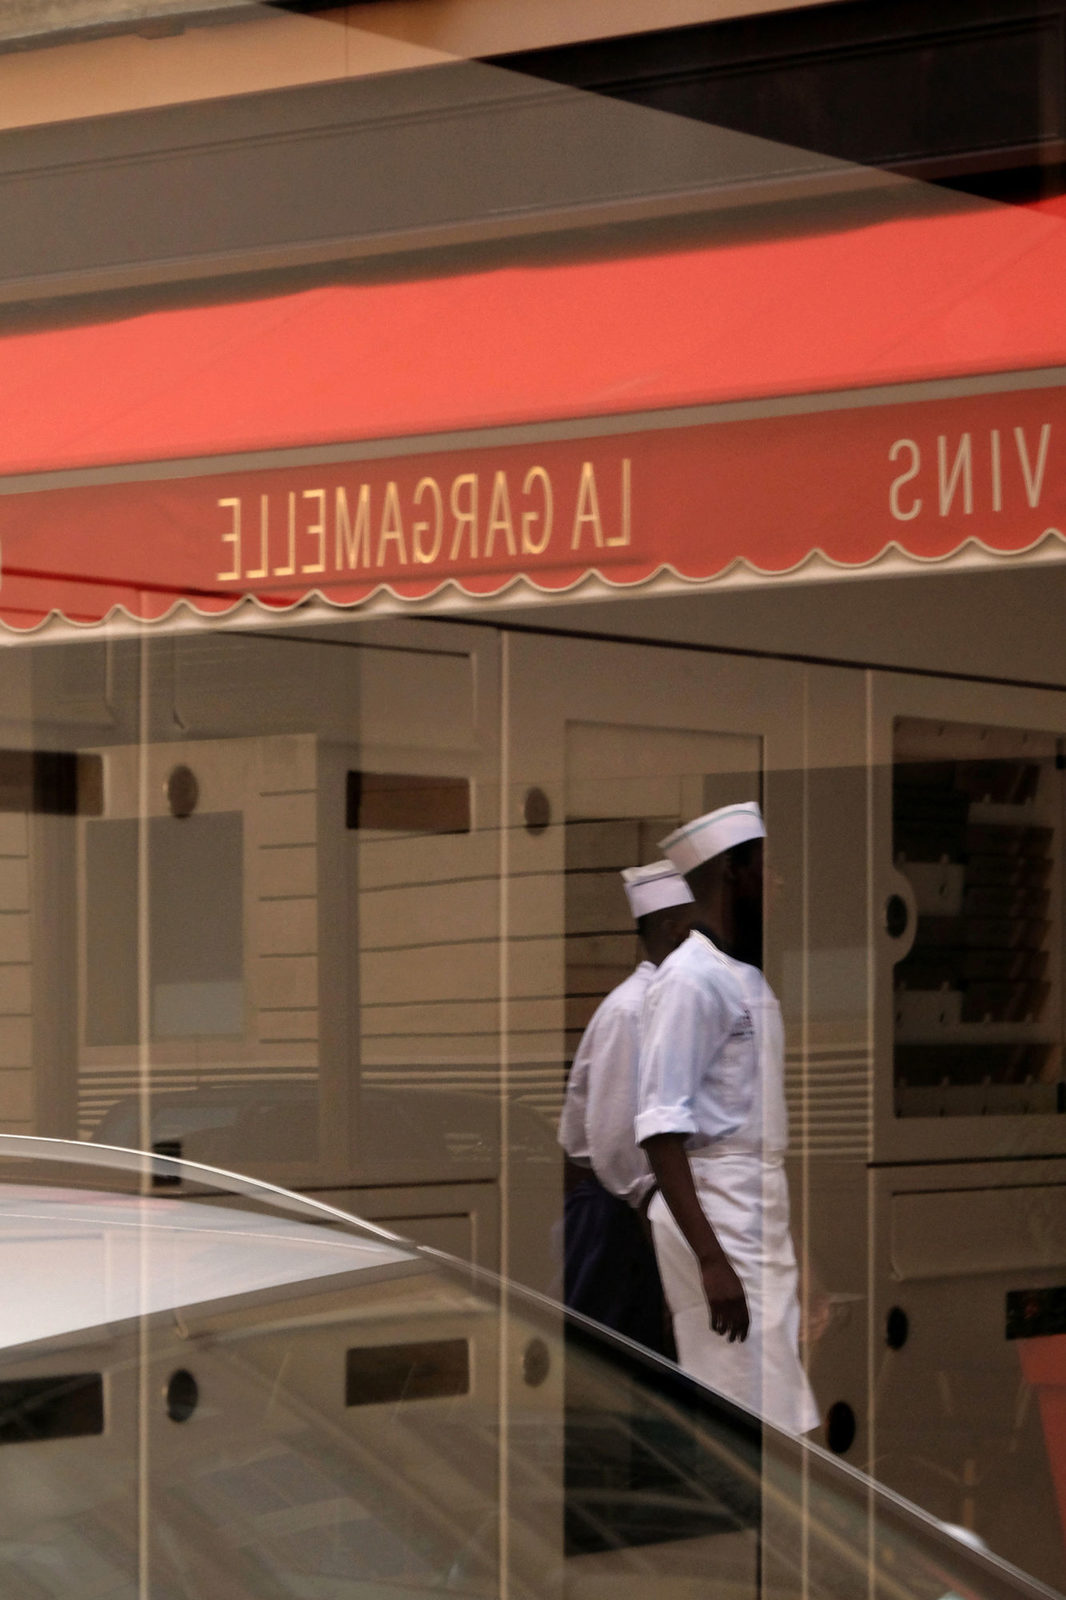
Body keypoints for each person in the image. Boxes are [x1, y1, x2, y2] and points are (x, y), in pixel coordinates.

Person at [635, 802, 819, 1434]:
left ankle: (770, 1530)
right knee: (748, 1410)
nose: (780, 884)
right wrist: (711, 1258)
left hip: (753, 1206)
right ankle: (761, 1529)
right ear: (735, 872)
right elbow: (661, 1132)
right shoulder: (690, 980)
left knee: (772, 1403)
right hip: (717, 1208)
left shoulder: (742, 977)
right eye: (768, 869)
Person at [558, 860, 694, 1355]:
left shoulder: (677, 1003)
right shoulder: (630, 1011)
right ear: (670, 931)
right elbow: (619, 1152)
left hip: (653, 1219)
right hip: (620, 1225)